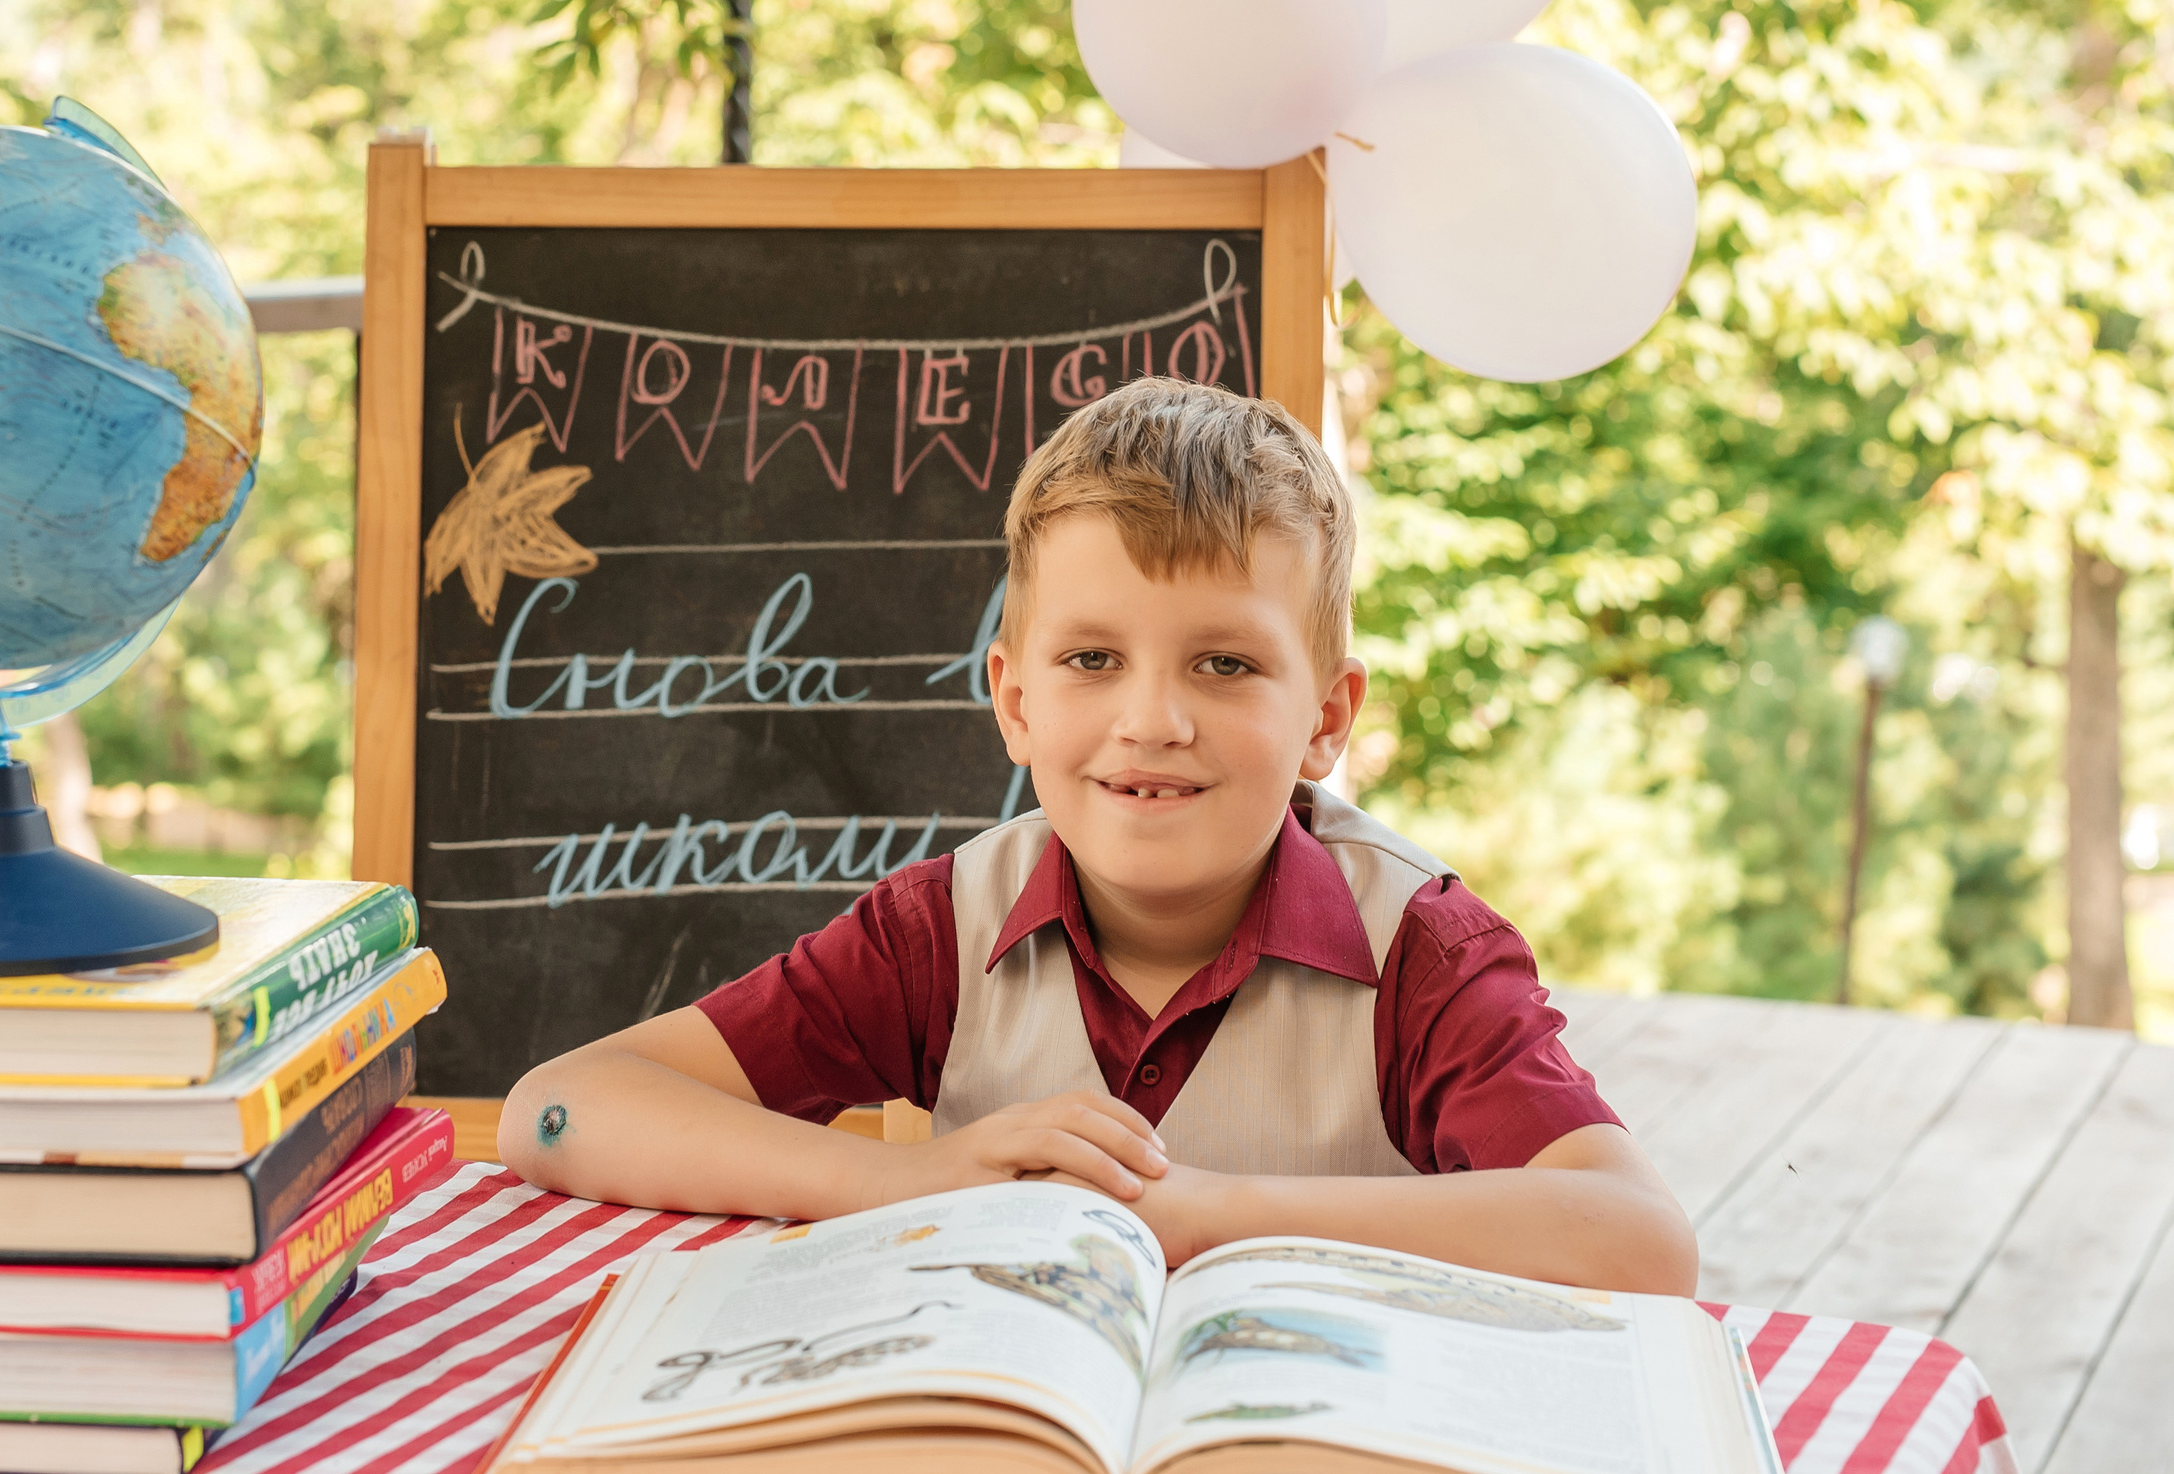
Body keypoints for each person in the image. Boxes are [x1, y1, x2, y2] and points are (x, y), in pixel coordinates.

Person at [501, 377, 1698, 1294]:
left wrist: (1204, 1211)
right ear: (1016, 702)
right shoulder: (941, 930)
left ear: (1325, 719)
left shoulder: (1421, 952)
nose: (1153, 721)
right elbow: (559, 1107)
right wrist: (903, 1179)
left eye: (1224, 664)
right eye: (1091, 660)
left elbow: (1640, 1240)